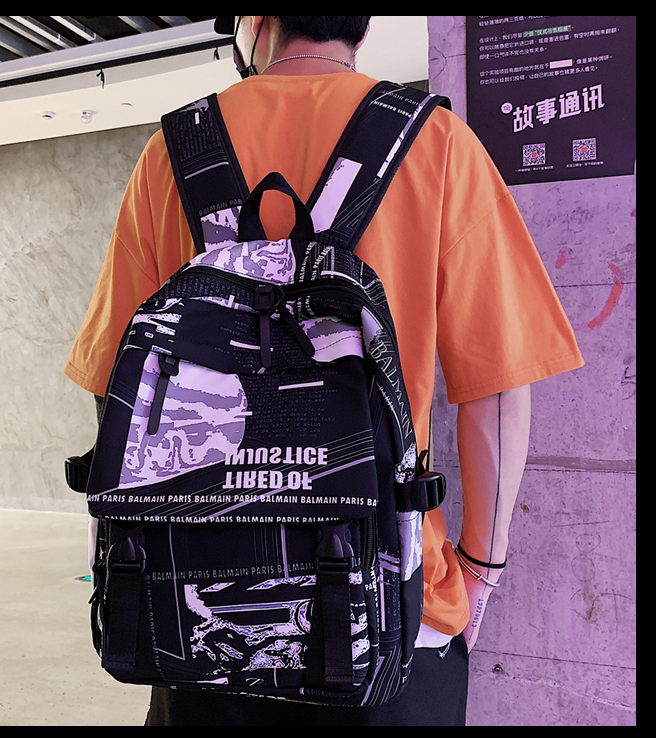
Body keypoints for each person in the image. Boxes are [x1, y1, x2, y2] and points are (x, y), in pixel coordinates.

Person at [64, 16, 584, 726]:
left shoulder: (171, 153)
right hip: (390, 597)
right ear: (361, 27)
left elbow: (117, 388)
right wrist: (478, 573)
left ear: (256, 23)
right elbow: (496, 392)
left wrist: (123, 563)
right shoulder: (437, 145)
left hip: (202, 605)